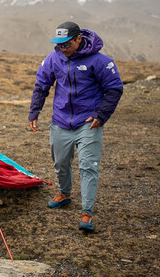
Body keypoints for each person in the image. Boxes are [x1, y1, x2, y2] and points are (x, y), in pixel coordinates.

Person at [28, 21, 123, 232]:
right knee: (60, 162)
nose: (63, 48)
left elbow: (114, 88)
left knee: (88, 166)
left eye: (67, 44)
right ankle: (65, 193)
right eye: (59, 44)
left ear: (78, 39)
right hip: (60, 121)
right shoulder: (54, 58)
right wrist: (35, 111)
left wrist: (101, 115)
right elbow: (41, 85)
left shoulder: (99, 61)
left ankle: (86, 213)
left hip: (88, 123)